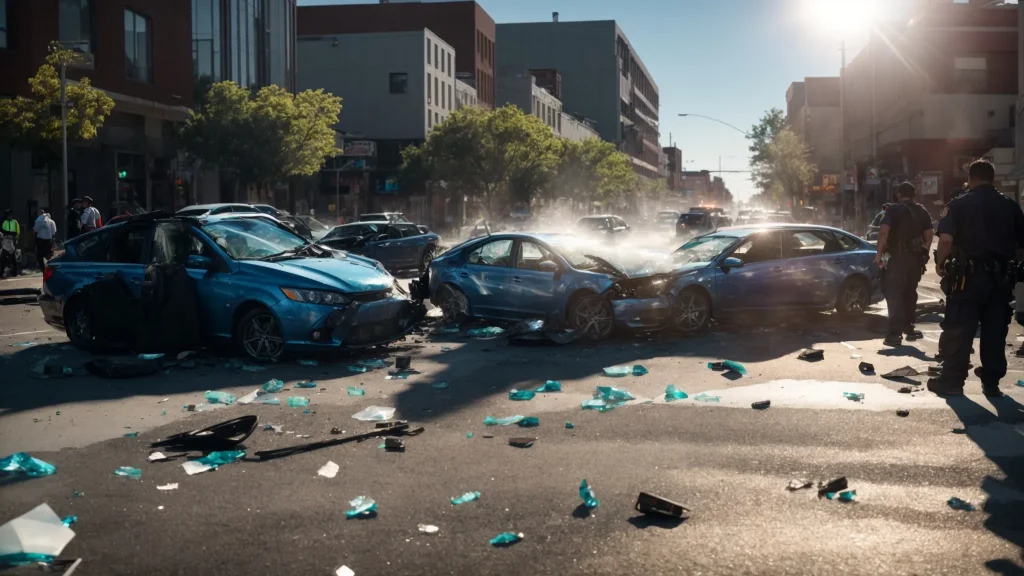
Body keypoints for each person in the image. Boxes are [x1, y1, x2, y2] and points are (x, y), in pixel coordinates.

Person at [927, 159, 1024, 397]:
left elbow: (946, 240)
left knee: (959, 328)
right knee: (995, 330)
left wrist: (940, 264)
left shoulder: (959, 205)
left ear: (971, 179)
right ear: (993, 178)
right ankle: (991, 383)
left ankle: (952, 382)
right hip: (1000, 279)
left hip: (966, 279)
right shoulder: (1010, 206)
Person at [875, 182, 933, 347]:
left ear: (899, 195)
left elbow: (884, 231)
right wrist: (924, 253)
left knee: (894, 294)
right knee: (910, 292)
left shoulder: (893, 209)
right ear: (913, 195)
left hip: (897, 258)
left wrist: (879, 254)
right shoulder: (921, 211)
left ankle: (894, 334)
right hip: (915, 260)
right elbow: (929, 235)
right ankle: (908, 326)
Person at [1, 209, 22, 277]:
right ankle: (2, 272)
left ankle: (14, 273)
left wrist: (16, 238)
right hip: (4, 242)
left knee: (13, 258)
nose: (11, 216)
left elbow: (17, 230)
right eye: (10, 215)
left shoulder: (14, 222)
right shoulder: (2, 221)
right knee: (3, 259)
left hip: (12, 242)